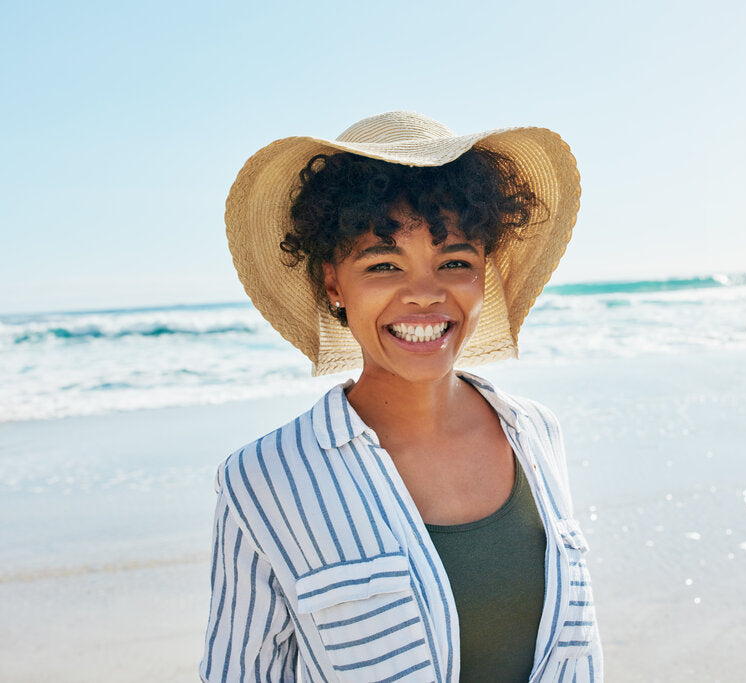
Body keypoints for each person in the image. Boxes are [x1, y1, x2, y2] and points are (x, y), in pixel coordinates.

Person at [200, 111, 602, 682]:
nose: (425, 295)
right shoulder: (265, 479)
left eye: (454, 262)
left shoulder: (536, 432)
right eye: (384, 264)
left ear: (483, 276)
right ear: (333, 282)